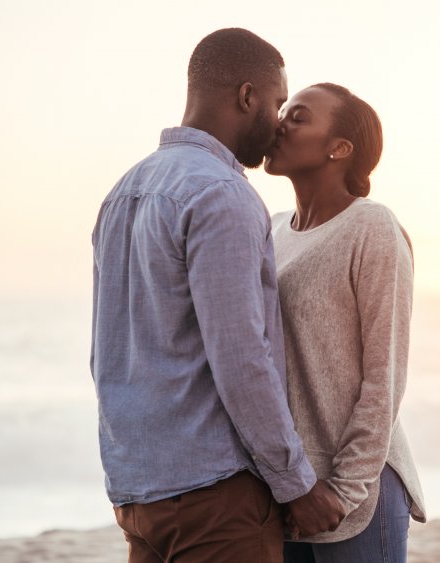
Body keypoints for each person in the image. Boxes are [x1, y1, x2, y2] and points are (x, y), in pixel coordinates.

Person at [90, 29, 344, 562]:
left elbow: (106, 353)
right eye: (277, 103)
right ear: (247, 96)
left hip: (139, 498)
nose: (278, 121)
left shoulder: (123, 192)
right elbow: (241, 358)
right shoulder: (223, 195)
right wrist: (296, 483)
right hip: (215, 498)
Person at [263, 83, 427, 562]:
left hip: (356, 495)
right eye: (284, 112)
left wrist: (344, 490)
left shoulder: (371, 228)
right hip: (290, 491)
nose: (281, 124)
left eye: (299, 117)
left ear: (339, 148)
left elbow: (385, 376)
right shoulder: (270, 228)